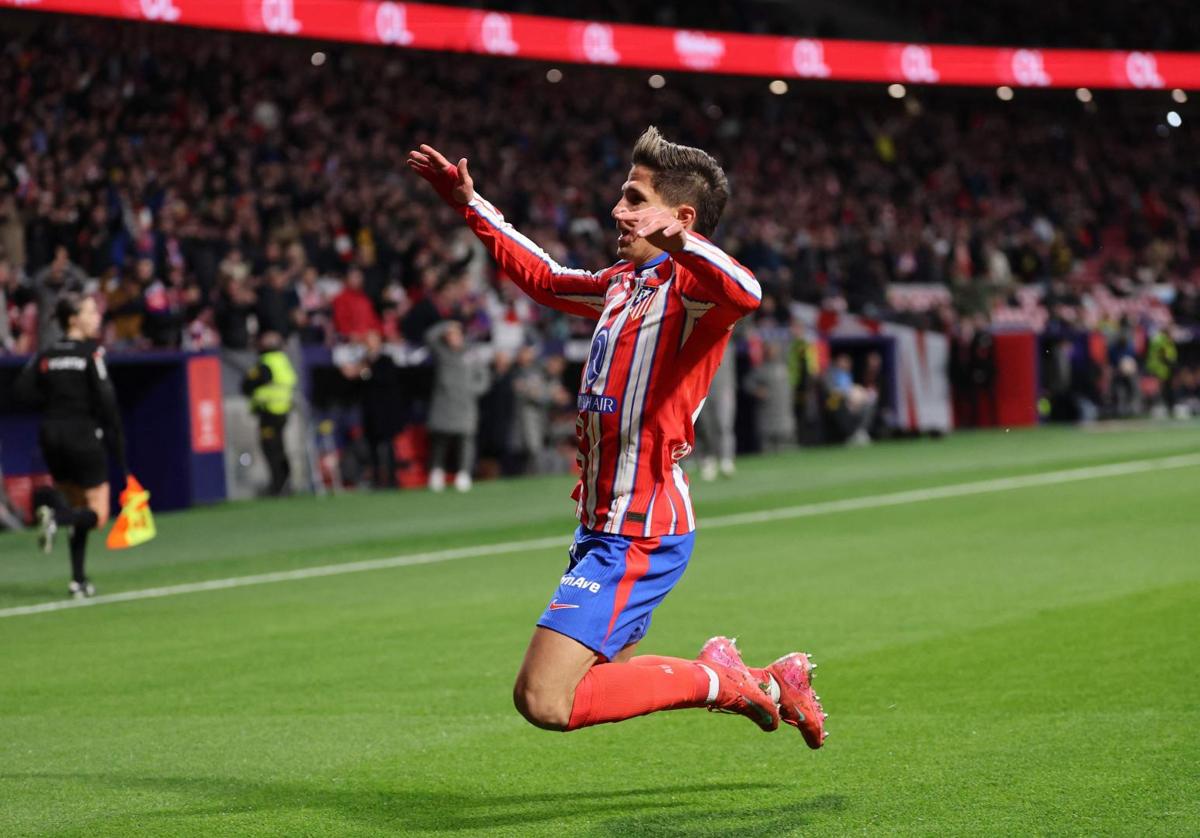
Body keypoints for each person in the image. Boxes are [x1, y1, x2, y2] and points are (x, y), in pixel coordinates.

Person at [407, 127, 826, 746]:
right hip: (600, 522)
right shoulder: (622, 285)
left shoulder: (694, 294)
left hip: (641, 528)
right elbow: (547, 278)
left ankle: (724, 679)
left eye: (634, 198)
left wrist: (683, 242)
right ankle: (765, 683)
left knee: (544, 698)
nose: (617, 211)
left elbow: (749, 290)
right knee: (600, 679)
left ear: (679, 216)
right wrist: (472, 205)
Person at [15, 293, 127, 598]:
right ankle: (55, 518)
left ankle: (78, 580)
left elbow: (21, 391)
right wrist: (119, 450)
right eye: (91, 312)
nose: (97, 317)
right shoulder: (91, 353)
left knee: (78, 507)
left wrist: (54, 401)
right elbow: (107, 402)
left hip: (51, 435)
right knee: (97, 514)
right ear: (73, 319)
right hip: (82, 434)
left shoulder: (46, 353)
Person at [424, 320, 491, 492]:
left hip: (466, 405)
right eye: (450, 335)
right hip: (443, 404)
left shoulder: (471, 353)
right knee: (440, 440)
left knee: (466, 440)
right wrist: (446, 325)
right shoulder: (442, 352)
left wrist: (472, 390)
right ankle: (436, 472)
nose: (453, 338)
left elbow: (484, 377)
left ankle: (464, 473)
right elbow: (428, 337)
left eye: (456, 334)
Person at [241, 331, 297, 496]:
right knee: (280, 447)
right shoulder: (283, 360)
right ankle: (286, 483)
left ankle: (277, 486)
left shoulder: (266, 363)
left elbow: (248, 384)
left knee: (271, 449)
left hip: (269, 411)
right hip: (283, 409)